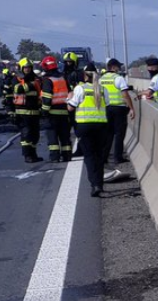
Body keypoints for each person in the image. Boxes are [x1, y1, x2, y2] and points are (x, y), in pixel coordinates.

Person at [68, 63, 108, 197]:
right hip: (101, 126)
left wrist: (68, 99)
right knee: (99, 156)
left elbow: (71, 108)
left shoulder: (80, 89)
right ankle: (100, 184)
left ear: (85, 75)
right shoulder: (102, 89)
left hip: (85, 126)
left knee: (90, 156)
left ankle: (95, 185)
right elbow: (107, 105)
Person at [100, 58, 135, 165]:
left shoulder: (101, 79)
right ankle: (117, 157)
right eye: (118, 66)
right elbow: (125, 95)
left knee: (108, 134)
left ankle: (104, 157)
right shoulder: (118, 78)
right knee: (119, 134)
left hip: (106, 108)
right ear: (113, 67)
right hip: (119, 108)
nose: (119, 68)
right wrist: (132, 108)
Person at [40, 56, 73, 162]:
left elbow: (47, 98)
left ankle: (54, 157)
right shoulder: (62, 77)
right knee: (64, 136)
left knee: (52, 136)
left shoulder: (47, 79)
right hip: (64, 112)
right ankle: (67, 155)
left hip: (51, 113)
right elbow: (70, 92)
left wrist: (44, 112)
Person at [12, 58, 43, 163]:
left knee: (35, 135)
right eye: (25, 67)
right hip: (22, 112)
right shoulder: (16, 78)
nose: (27, 69)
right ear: (21, 68)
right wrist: (31, 85)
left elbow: (40, 90)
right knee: (26, 134)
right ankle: (27, 155)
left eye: (29, 67)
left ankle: (33, 154)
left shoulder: (36, 78)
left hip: (34, 111)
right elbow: (17, 89)